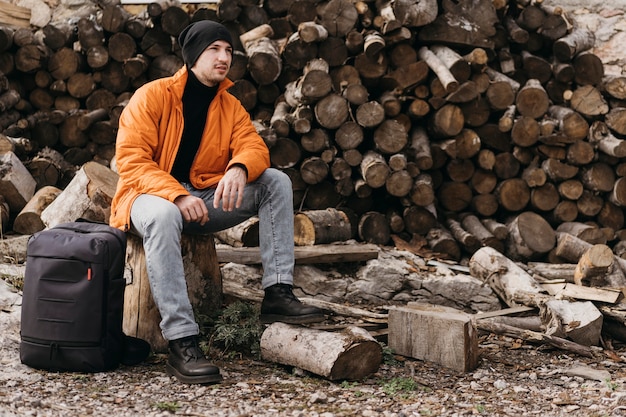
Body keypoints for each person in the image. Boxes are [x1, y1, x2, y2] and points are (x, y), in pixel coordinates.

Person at [109, 20, 325, 385]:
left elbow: (254, 147)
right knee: (163, 214)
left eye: (228, 50)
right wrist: (175, 193)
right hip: (146, 197)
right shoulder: (152, 96)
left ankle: (277, 292)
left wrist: (240, 167)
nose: (224, 57)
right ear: (194, 54)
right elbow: (131, 162)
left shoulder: (230, 105)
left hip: (204, 198)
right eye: (215, 49)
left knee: (275, 181)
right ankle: (182, 341)